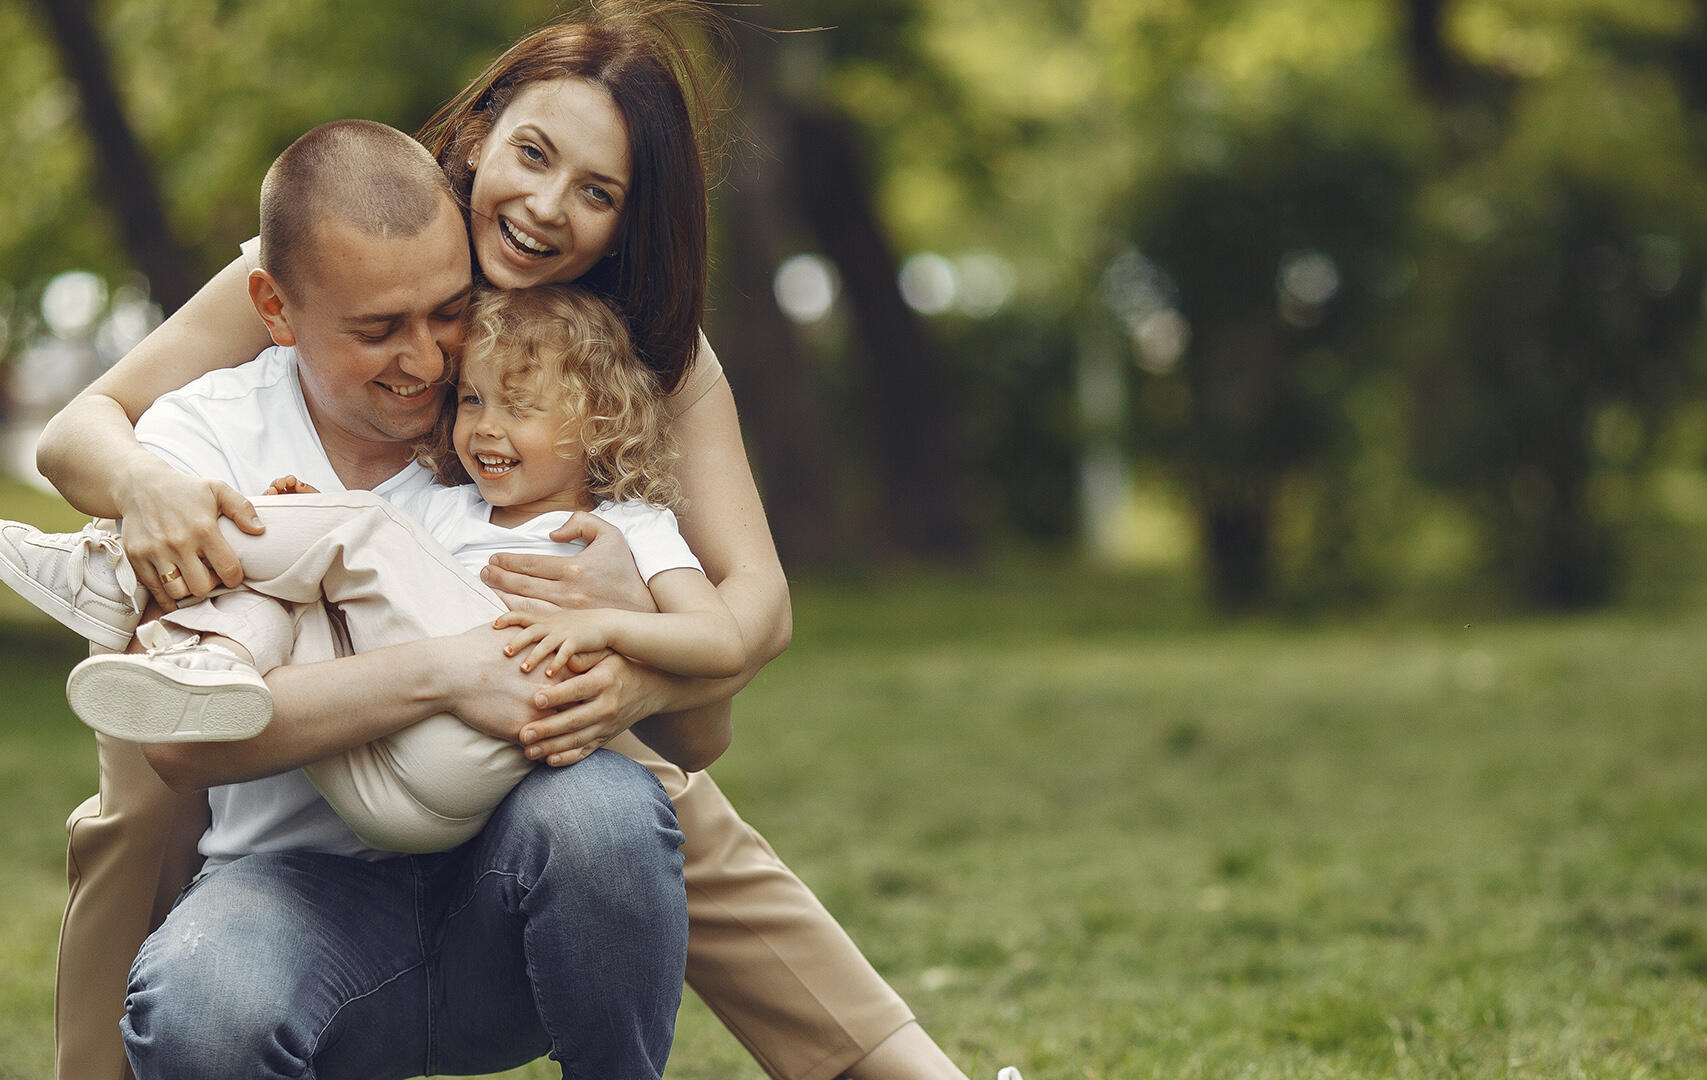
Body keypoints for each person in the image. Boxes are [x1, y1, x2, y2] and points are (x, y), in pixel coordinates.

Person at [35, 4, 996, 1079]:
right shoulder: (351, 237)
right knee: (153, 772)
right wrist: (143, 482)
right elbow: (81, 427)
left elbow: (754, 600)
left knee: (627, 786)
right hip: (276, 753)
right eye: (533, 155)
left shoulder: (629, 346)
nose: (545, 209)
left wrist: (637, 658)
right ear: (480, 132)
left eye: (599, 193)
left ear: (631, 225)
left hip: (503, 721)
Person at [15, 284, 744, 858]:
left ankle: (108, 578)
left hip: (468, 763)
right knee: (297, 583)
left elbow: (720, 642)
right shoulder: (447, 506)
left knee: (361, 522)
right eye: (472, 399)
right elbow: (352, 586)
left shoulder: (629, 528)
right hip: (375, 778)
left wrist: (607, 623)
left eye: (518, 406)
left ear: (598, 424)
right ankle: (210, 663)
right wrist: (303, 515)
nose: (485, 426)